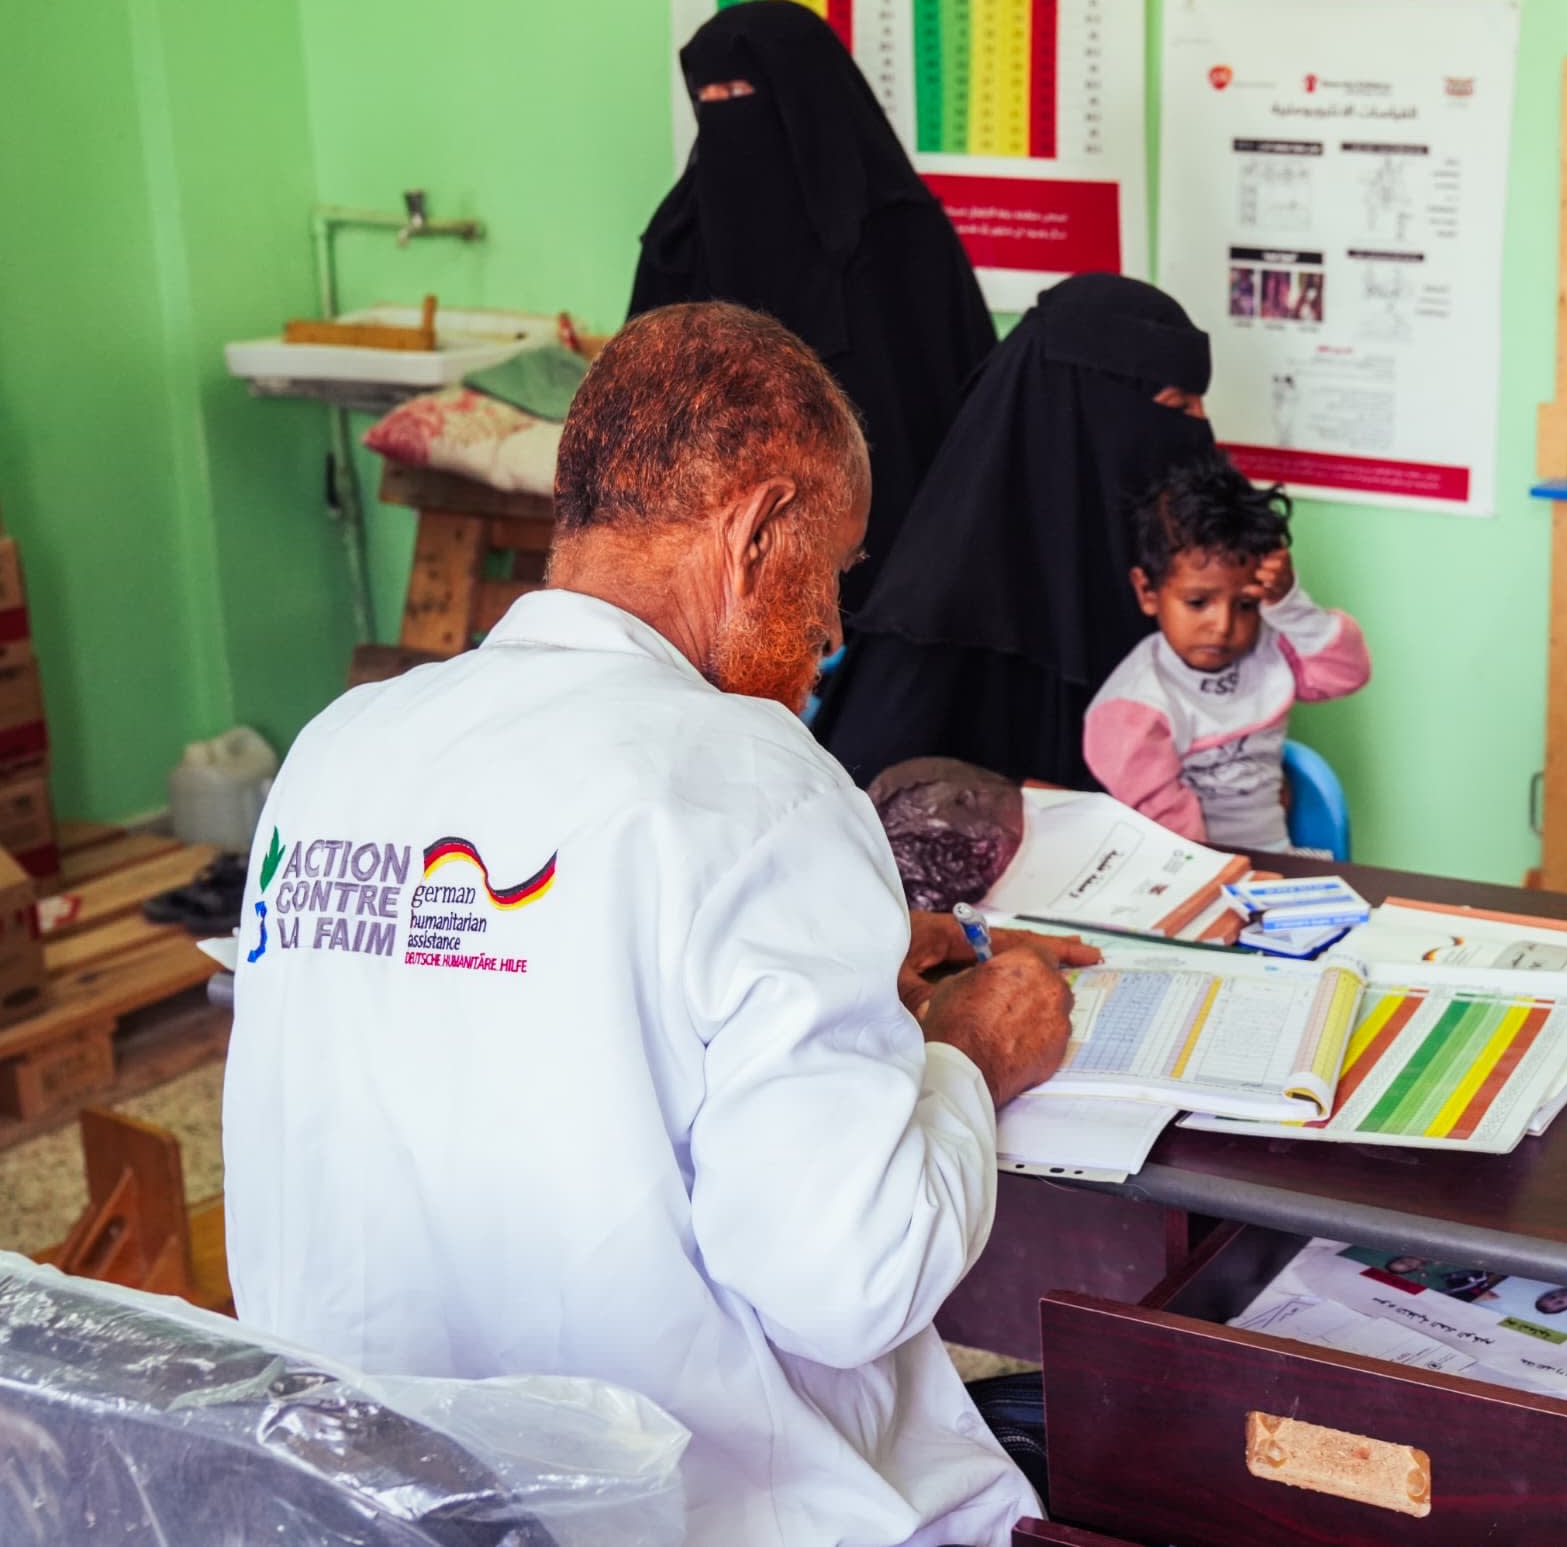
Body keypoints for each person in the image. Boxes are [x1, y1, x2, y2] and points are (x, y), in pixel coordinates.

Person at [223, 302, 1103, 1547]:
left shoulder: (343, 744)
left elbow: (526, 997)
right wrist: (969, 1051)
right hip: (693, 1514)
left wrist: (841, 960)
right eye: (835, 568)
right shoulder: (757, 777)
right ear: (754, 531)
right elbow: (853, 1281)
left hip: (366, 1502)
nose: (832, 630)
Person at [632, 0, 997, 618]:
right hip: (711, 574)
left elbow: (963, 420)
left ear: (806, 100)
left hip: (889, 565)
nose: (725, 117)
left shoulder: (902, 236)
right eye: (707, 99)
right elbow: (640, 413)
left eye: (741, 93)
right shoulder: (681, 238)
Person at [816, 273, 1222, 788]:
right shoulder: (941, 606)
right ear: (1096, 413)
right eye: (1180, 408)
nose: (1202, 431)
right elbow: (872, 798)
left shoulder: (1173, 571)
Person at [1083, 455, 1370, 851]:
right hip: (1190, 869)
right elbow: (1178, 844)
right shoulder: (1132, 709)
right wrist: (1227, 880)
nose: (1222, 626)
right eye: (1198, 602)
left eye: (1247, 605)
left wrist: (1289, 606)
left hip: (1277, 861)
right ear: (1147, 591)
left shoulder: (1270, 650)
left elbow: (1347, 674)